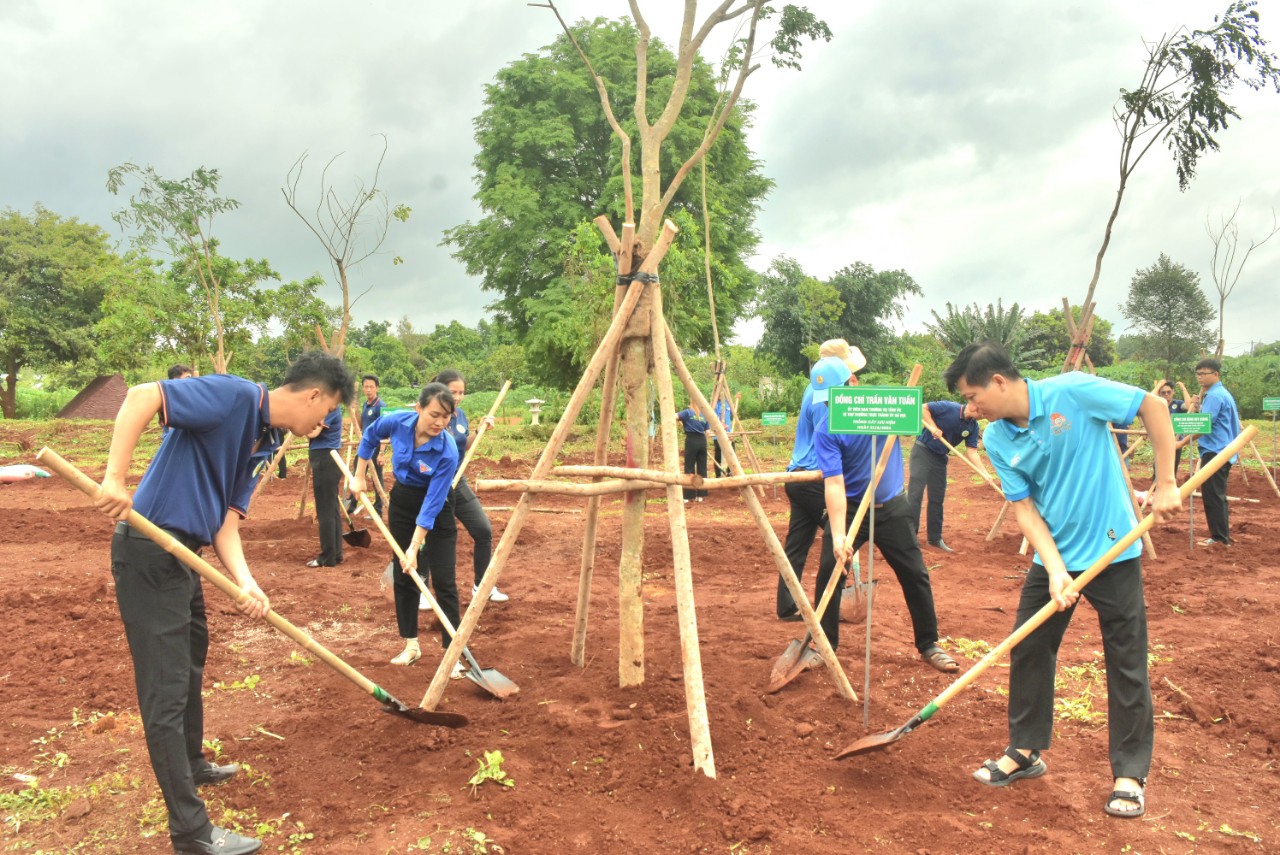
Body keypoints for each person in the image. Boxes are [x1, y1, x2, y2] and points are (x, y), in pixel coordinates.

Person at [93, 351, 354, 855]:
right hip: (148, 550)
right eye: (326, 412)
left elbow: (225, 524)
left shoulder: (268, 439)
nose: (324, 422)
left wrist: (247, 582)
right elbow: (142, 396)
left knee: (192, 659)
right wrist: (115, 479)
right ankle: (190, 831)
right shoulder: (235, 395)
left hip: (184, 554)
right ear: (313, 395)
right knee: (165, 691)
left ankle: (192, 764)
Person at [945, 341, 1180, 820]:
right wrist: (1054, 568)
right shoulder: (996, 439)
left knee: (1126, 657)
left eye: (972, 397)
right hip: (1054, 555)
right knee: (1029, 645)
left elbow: (1152, 407)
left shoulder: (1072, 392)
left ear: (998, 382)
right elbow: (1025, 508)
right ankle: (1026, 751)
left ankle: (1129, 775)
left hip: (1114, 551)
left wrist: (1167, 480)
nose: (970, 410)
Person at [809, 356, 959, 673]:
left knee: (915, 573)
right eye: (825, 400)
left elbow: (918, 411)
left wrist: (908, 418)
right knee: (829, 573)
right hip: (850, 509)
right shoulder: (826, 429)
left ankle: (929, 644)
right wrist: (838, 535)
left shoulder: (885, 409)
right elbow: (834, 484)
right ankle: (824, 645)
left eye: (835, 396)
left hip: (892, 507)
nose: (829, 406)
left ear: (853, 384)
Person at [351, 382, 463, 671]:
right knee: (405, 572)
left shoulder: (447, 452)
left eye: (447, 416)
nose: (440, 422)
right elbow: (370, 436)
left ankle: (453, 655)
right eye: (434, 414)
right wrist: (359, 475)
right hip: (402, 499)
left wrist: (416, 546)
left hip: (436, 508)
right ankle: (411, 645)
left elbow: (431, 506)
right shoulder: (398, 421)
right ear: (418, 409)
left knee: (444, 579)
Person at [776, 338, 865, 621]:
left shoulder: (812, 389)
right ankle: (830, 604)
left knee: (798, 544)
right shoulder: (829, 401)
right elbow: (837, 442)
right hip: (817, 479)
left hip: (797, 476)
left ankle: (787, 604)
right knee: (839, 536)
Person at [433, 369, 506, 604]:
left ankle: (481, 586)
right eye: (452, 392)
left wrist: (479, 430)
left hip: (458, 480)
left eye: (461, 392)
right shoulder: (431, 415)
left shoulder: (460, 415)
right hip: (433, 483)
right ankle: (421, 586)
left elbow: (463, 446)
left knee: (483, 530)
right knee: (427, 537)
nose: (457, 397)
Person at [905, 399, 984, 552]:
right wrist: (933, 427)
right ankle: (910, 537)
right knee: (915, 495)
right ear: (974, 405)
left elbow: (972, 451)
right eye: (983, 411)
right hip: (922, 451)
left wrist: (984, 472)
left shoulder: (973, 426)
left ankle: (934, 539)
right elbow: (923, 408)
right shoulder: (949, 407)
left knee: (937, 498)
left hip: (940, 457)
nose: (984, 415)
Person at [1189, 358, 1242, 546]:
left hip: (1215, 451)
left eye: (1204, 373)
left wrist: (1180, 443)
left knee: (1212, 495)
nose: (1200, 377)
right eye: (1198, 374)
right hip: (1222, 450)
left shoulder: (1214, 396)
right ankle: (1221, 534)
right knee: (1216, 494)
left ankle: (1219, 538)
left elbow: (1205, 426)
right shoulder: (1220, 394)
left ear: (1216, 374)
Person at [305, 406, 343, 567]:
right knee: (332, 509)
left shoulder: (328, 409)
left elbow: (312, 433)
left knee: (325, 510)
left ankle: (327, 557)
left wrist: (303, 423)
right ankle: (336, 554)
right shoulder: (330, 407)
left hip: (325, 459)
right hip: (327, 458)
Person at [346, 374, 384, 518]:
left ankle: (379, 508)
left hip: (375, 448)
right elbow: (361, 425)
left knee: (377, 479)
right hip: (364, 447)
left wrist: (381, 452)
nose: (368, 390)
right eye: (366, 387)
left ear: (377, 388)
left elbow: (385, 432)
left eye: (371, 387)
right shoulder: (365, 405)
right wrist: (355, 411)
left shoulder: (380, 406)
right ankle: (352, 504)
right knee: (357, 473)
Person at [1153, 379, 1192, 480]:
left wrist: (1183, 389)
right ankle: (1155, 487)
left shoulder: (1178, 404)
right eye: (1163, 392)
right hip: (1160, 440)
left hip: (1176, 441)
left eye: (1169, 392)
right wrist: (1157, 387)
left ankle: (1170, 487)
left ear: (1173, 392)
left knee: (1172, 466)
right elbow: (1147, 399)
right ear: (1160, 394)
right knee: (1158, 466)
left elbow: (1189, 406)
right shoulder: (1157, 403)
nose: (1166, 394)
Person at [675, 402, 709, 502]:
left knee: (689, 467)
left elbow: (674, 416)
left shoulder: (687, 412)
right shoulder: (704, 415)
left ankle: (688, 495)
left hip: (691, 439)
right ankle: (701, 495)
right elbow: (707, 432)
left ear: (690, 404)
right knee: (702, 467)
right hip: (702, 440)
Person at [712, 397, 734, 477]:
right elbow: (712, 417)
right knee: (718, 455)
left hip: (729, 433)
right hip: (718, 434)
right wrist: (721, 425)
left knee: (732, 453)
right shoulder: (714, 405)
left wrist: (736, 400)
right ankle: (718, 475)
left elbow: (732, 412)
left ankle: (730, 473)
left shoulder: (727, 403)